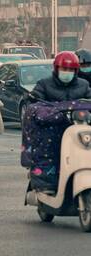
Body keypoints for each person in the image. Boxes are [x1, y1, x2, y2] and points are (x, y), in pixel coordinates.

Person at [23, 51, 91, 192]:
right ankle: (45, 183)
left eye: (71, 70)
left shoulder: (84, 85)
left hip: (79, 127)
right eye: (64, 69)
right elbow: (36, 101)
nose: (67, 72)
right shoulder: (44, 84)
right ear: (56, 69)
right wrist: (34, 98)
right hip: (53, 129)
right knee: (46, 147)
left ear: (76, 71)